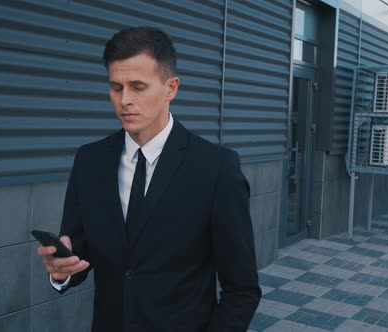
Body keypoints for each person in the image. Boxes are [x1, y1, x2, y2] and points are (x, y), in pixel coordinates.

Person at [37, 26, 261, 332]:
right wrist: (61, 270)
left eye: (138, 86)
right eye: (116, 87)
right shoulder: (89, 161)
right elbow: (79, 257)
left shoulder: (216, 168)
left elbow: (242, 289)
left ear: (171, 88)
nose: (124, 100)